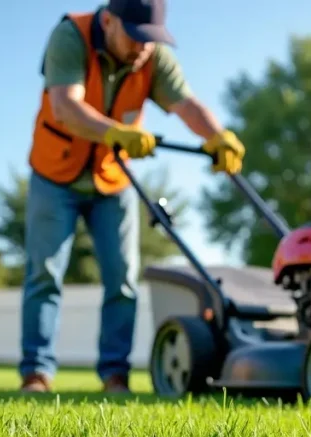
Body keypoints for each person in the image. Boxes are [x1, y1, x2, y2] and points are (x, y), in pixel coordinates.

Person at [18, 0, 245, 393]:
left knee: (122, 279)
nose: (144, 47)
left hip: (113, 179)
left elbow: (186, 104)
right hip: (55, 176)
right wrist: (113, 133)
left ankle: (115, 375)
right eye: (137, 36)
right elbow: (64, 105)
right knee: (45, 274)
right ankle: (36, 374)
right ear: (109, 21)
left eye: (152, 39)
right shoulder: (71, 36)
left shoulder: (153, 56)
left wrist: (216, 135)